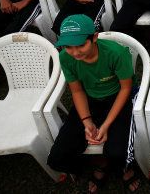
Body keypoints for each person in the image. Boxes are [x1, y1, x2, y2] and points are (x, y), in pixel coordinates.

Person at [47, 14, 140, 193]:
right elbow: (77, 90)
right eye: (68, 46)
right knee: (56, 158)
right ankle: (100, 162)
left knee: (118, 153)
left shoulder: (116, 53)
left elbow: (125, 89)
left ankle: (123, 168)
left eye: (81, 45)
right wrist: (86, 121)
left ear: (95, 37)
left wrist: (105, 125)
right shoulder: (65, 58)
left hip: (118, 97)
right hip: (89, 99)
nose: (75, 52)